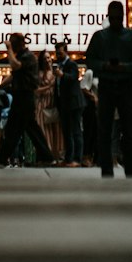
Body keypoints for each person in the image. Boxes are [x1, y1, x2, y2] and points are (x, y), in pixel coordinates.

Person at [84, 1, 132, 178]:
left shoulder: (127, 37)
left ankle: (128, 168)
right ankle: (111, 168)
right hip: (108, 84)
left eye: (118, 17)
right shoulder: (105, 37)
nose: (116, 20)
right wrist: (108, 66)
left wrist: (122, 67)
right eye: (113, 18)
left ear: (123, 16)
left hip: (123, 85)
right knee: (107, 129)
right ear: (109, 17)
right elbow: (90, 59)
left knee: (124, 129)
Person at [0, 33, 55, 167]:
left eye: (13, 43)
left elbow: (15, 66)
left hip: (25, 96)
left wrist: (8, 49)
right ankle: (47, 157)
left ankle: (0, 159)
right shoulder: (22, 56)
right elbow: (13, 75)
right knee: (24, 129)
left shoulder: (28, 56)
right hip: (21, 97)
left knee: (17, 129)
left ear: (20, 43)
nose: (11, 45)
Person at [54, 39, 84, 167]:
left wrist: (62, 75)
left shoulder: (71, 64)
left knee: (75, 131)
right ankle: (68, 158)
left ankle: (77, 159)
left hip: (73, 103)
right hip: (64, 103)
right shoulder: (60, 65)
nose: (58, 55)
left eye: (60, 53)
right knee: (66, 132)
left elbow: (73, 78)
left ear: (66, 52)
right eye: (56, 53)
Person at [34, 49, 60, 161]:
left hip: (54, 104)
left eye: (48, 57)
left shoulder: (56, 72)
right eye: (44, 58)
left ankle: (55, 156)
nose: (47, 60)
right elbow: (36, 91)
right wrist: (49, 86)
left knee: (55, 132)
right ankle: (46, 157)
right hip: (42, 105)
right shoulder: (39, 74)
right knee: (44, 132)